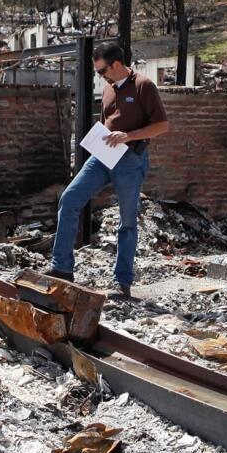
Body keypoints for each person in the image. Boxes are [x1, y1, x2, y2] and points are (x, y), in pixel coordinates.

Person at [47, 43, 169, 298]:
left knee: (126, 222)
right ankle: (62, 269)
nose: (100, 75)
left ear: (115, 64)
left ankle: (122, 282)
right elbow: (106, 122)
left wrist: (128, 136)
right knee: (69, 199)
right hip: (102, 157)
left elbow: (161, 126)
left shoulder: (143, 86)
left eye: (102, 70)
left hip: (130, 159)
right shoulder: (107, 89)